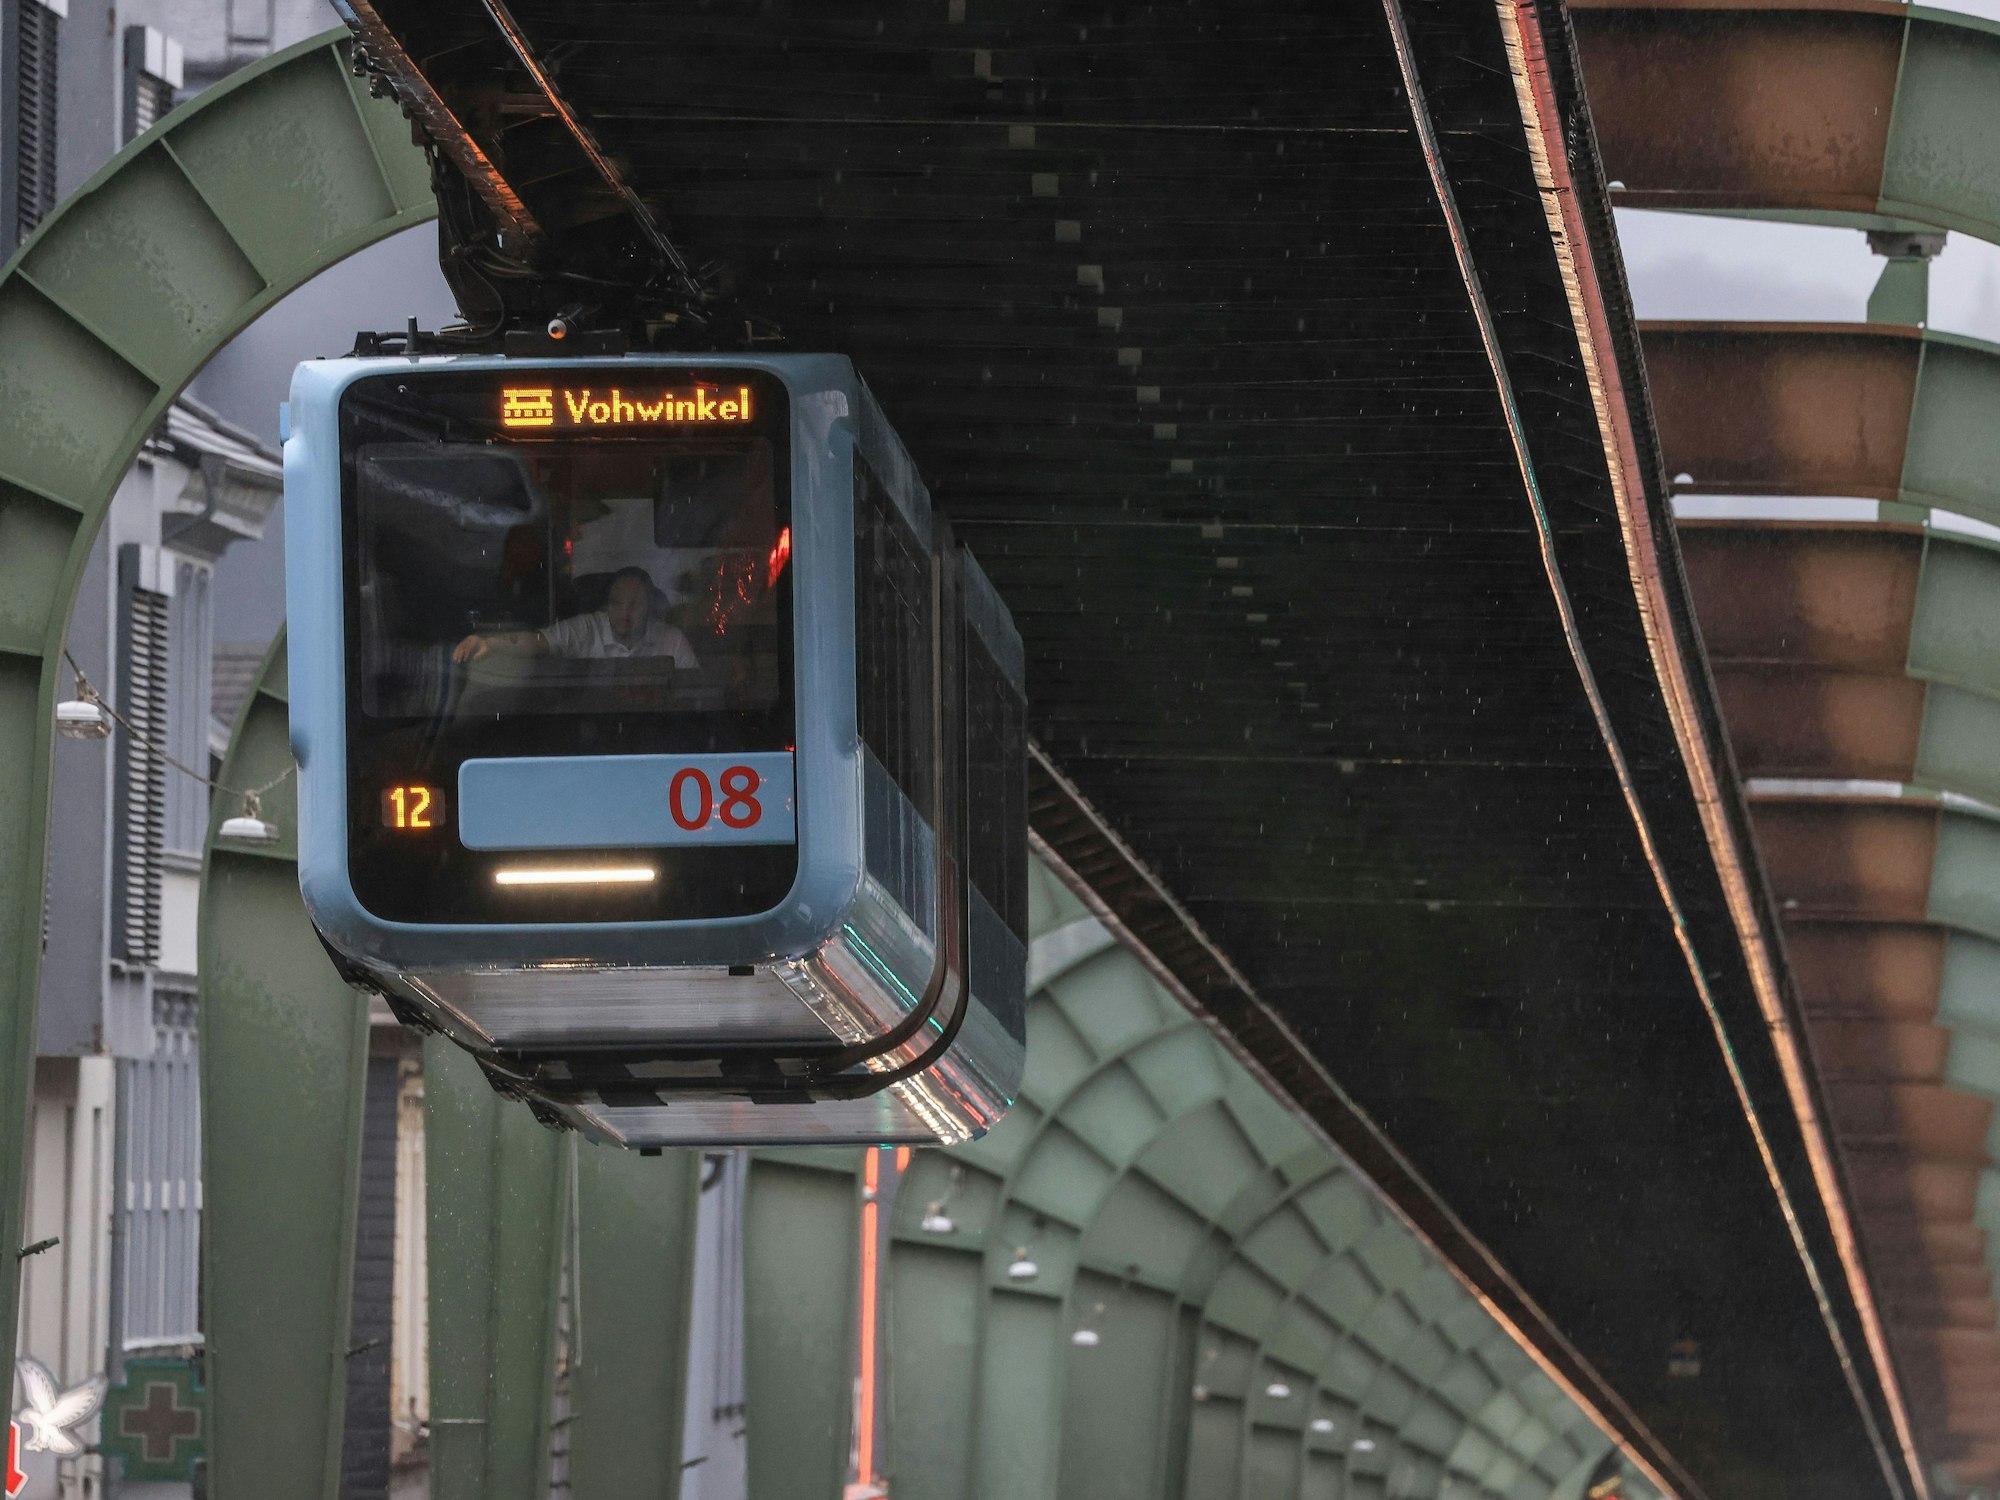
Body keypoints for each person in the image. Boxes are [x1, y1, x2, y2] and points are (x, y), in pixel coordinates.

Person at [452, 566, 699, 665]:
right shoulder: (586, 629)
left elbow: (693, 692)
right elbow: (538, 642)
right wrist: (490, 643)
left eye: (634, 604)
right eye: (616, 603)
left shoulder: (672, 639)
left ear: (650, 606)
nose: (624, 613)